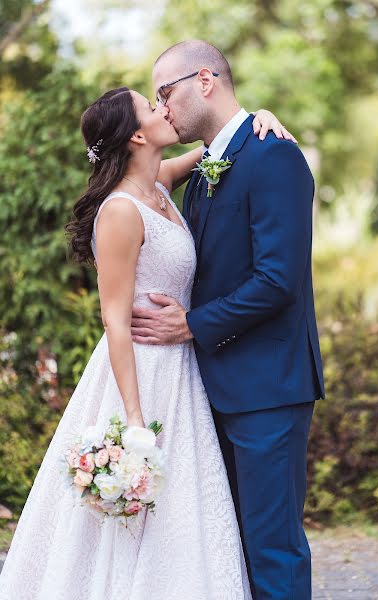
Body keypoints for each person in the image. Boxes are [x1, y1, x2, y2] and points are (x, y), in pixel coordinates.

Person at [0, 83, 292, 599]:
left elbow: (220, 143)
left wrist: (260, 117)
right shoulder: (119, 212)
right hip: (140, 373)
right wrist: (133, 419)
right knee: (139, 516)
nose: (165, 109)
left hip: (184, 369)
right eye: (152, 106)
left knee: (185, 511)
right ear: (138, 133)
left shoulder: (158, 182)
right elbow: (114, 319)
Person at [130, 40, 325, 600]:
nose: (162, 109)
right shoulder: (214, 161)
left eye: (166, 93)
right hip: (209, 390)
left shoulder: (275, 156)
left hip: (267, 388)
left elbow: (277, 281)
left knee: (271, 549)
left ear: (206, 80)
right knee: (227, 551)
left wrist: (190, 324)